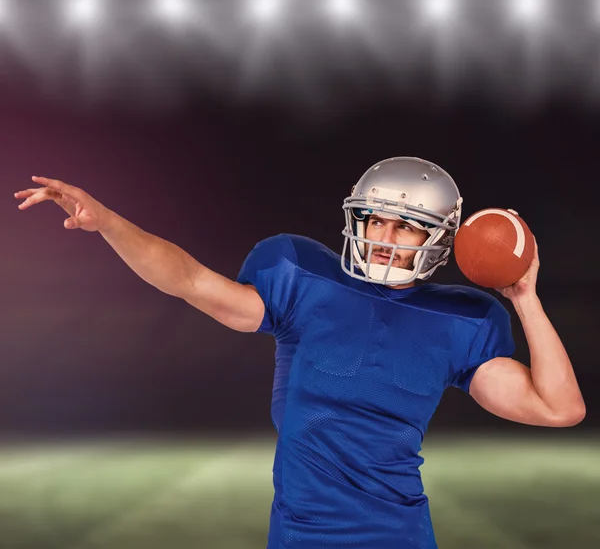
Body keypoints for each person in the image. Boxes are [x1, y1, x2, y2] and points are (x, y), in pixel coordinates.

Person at [14, 156, 585, 549]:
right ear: (355, 218)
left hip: (397, 536)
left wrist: (524, 298)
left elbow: (560, 408)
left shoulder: (460, 320)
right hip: (299, 535)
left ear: (435, 237)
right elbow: (187, 279)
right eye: (376, 220)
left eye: (405, 227)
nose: (385, 237)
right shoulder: (302, 277)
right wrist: (109, 223)